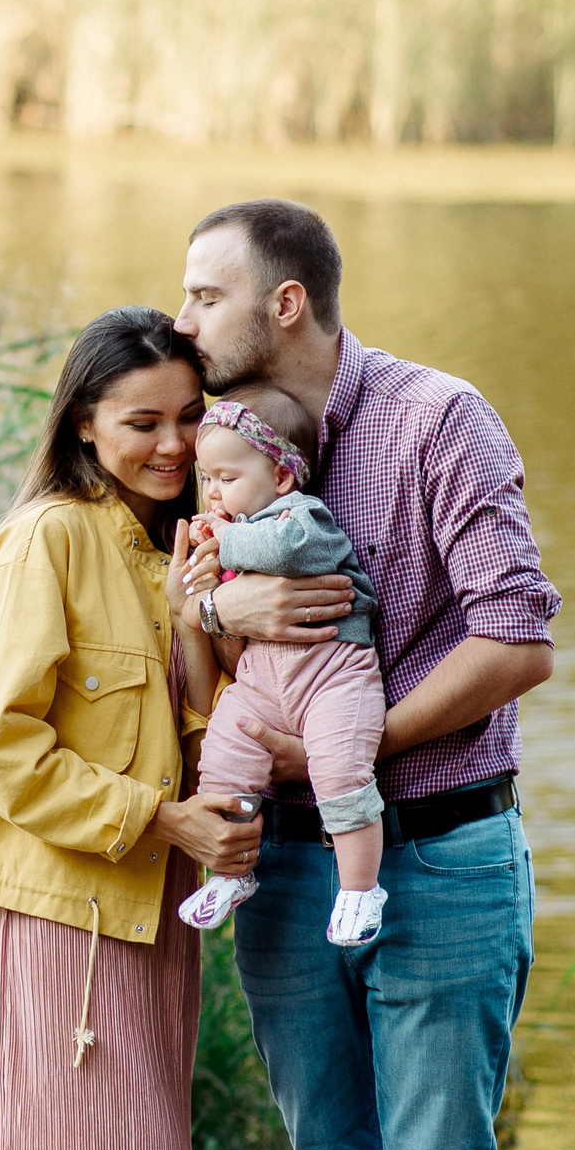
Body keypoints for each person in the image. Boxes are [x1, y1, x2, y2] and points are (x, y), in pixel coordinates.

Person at [172, 199, 560, 1150]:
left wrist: (352, 750)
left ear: (285, 303)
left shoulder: (439, 419)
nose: (183, 321)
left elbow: (517, 640)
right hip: (286, 873)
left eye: (206, 296)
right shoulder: (208, 449)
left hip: (440, 860)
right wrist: (209, 616)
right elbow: (192, 658)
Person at [0, 306, 257, 1150]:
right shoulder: (45, 540)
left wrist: (193, 625)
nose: (175, 443)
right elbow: (3, 752)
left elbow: (188, 729)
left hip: (148, 920)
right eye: (143, 421)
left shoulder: (170, 547)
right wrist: (158, 817)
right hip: (64, 925)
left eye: (189, 416)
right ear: (82, 425)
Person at [174, 386, 388, 946]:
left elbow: (287, 551)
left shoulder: (302, 518)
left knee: (341, 774)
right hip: (261, 682)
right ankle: (230, 875)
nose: (214, 493)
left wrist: (227, 538)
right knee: (223, 764)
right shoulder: (240, 539)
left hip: (331, 675)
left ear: (282, 476)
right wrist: (208, 592)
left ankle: (360, 889)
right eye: (207, 480)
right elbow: (233, 635)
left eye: (228, 478)